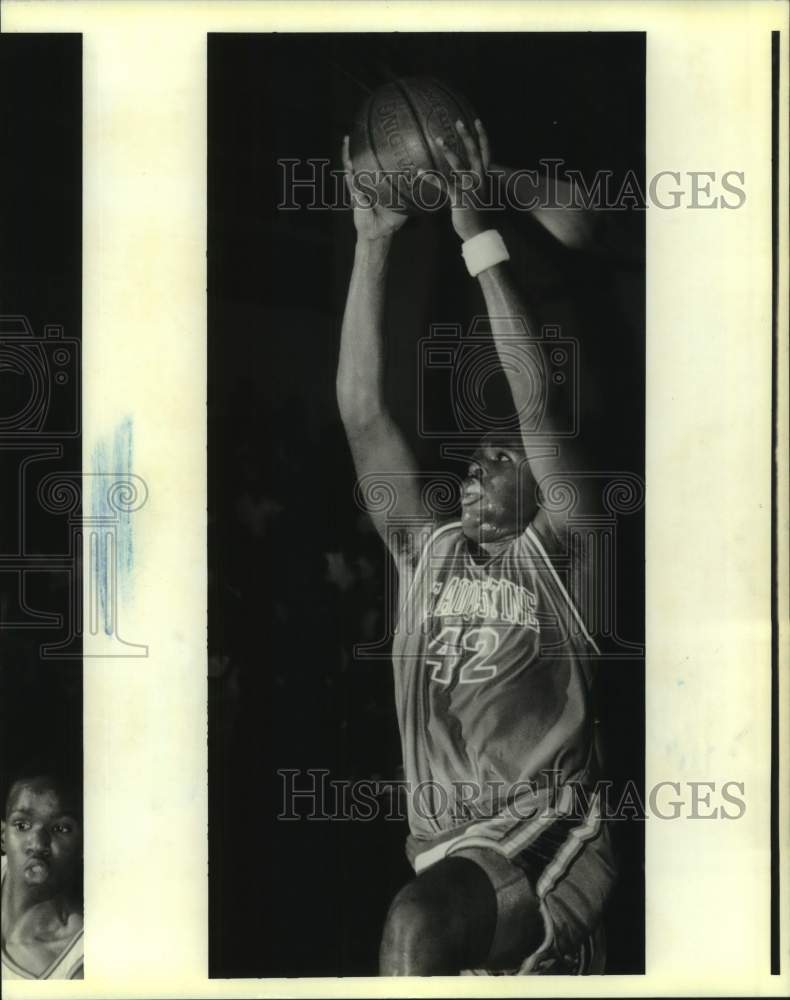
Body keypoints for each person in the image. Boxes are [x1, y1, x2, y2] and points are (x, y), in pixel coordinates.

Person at [337, 118, 616, 975]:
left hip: (547, 830)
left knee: (414, 927)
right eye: (474, 454)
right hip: (448, 847)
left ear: (539, 484)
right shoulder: (428, 552)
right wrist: (373, 244)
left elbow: (533, 407)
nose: (475, 465)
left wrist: (478, 240)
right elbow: (363, 412)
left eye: (500, 459)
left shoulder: (565, 551)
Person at [1, 764, 84, 980]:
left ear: (83, 845)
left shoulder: (79, 959)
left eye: (61, 828)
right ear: (2, 837)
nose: (38, 844)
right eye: (22, 825)